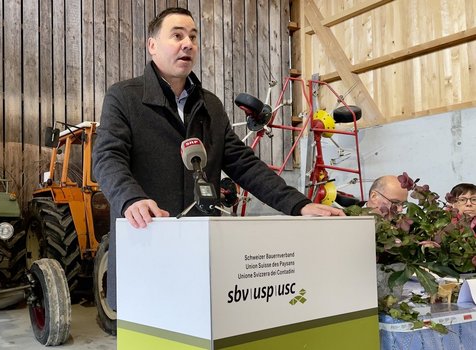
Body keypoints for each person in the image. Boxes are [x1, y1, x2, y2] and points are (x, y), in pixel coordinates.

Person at [92, 7, 344, 309]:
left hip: (199, 255)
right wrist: (131, 199)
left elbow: (244, 164)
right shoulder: (124, 98)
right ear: (152, 45)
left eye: (193, 37)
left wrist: (299, 204)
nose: (188, 43)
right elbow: (107, 158)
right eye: (177, 35)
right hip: (146, 243)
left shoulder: (210, 105)